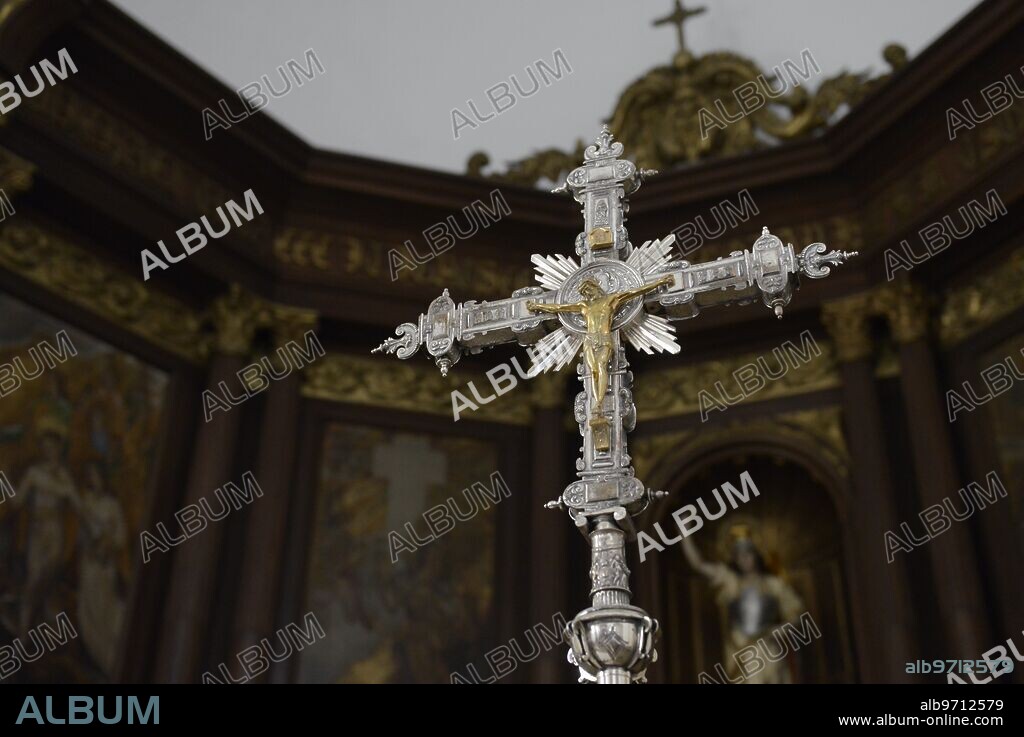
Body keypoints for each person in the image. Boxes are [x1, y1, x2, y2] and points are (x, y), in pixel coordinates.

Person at [681, 527, 804, 683]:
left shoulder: (773, 584)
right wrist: (684, 533)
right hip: (741, 651)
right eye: (739, 556)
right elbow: (699, 565)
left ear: (756, 555)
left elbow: (796, 615)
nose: (744, 559)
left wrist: (780, 629)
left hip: (769, 648)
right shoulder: (731, 583)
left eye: (747, 554)